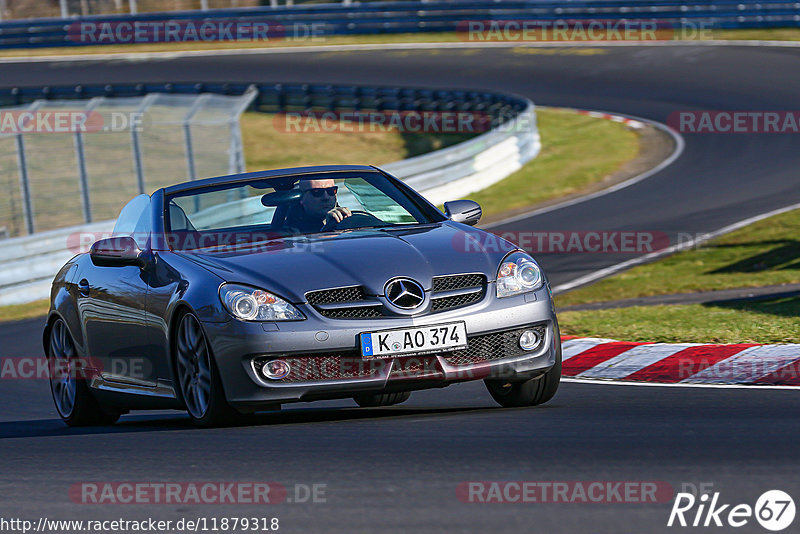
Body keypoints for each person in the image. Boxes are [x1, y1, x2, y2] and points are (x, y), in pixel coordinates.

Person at [285, 178, 352, 233]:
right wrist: (329, 228)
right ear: (301, 198)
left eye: (331, 191)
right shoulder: (292, 233)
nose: (326, 197)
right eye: (317, 192)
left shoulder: (348, 219)